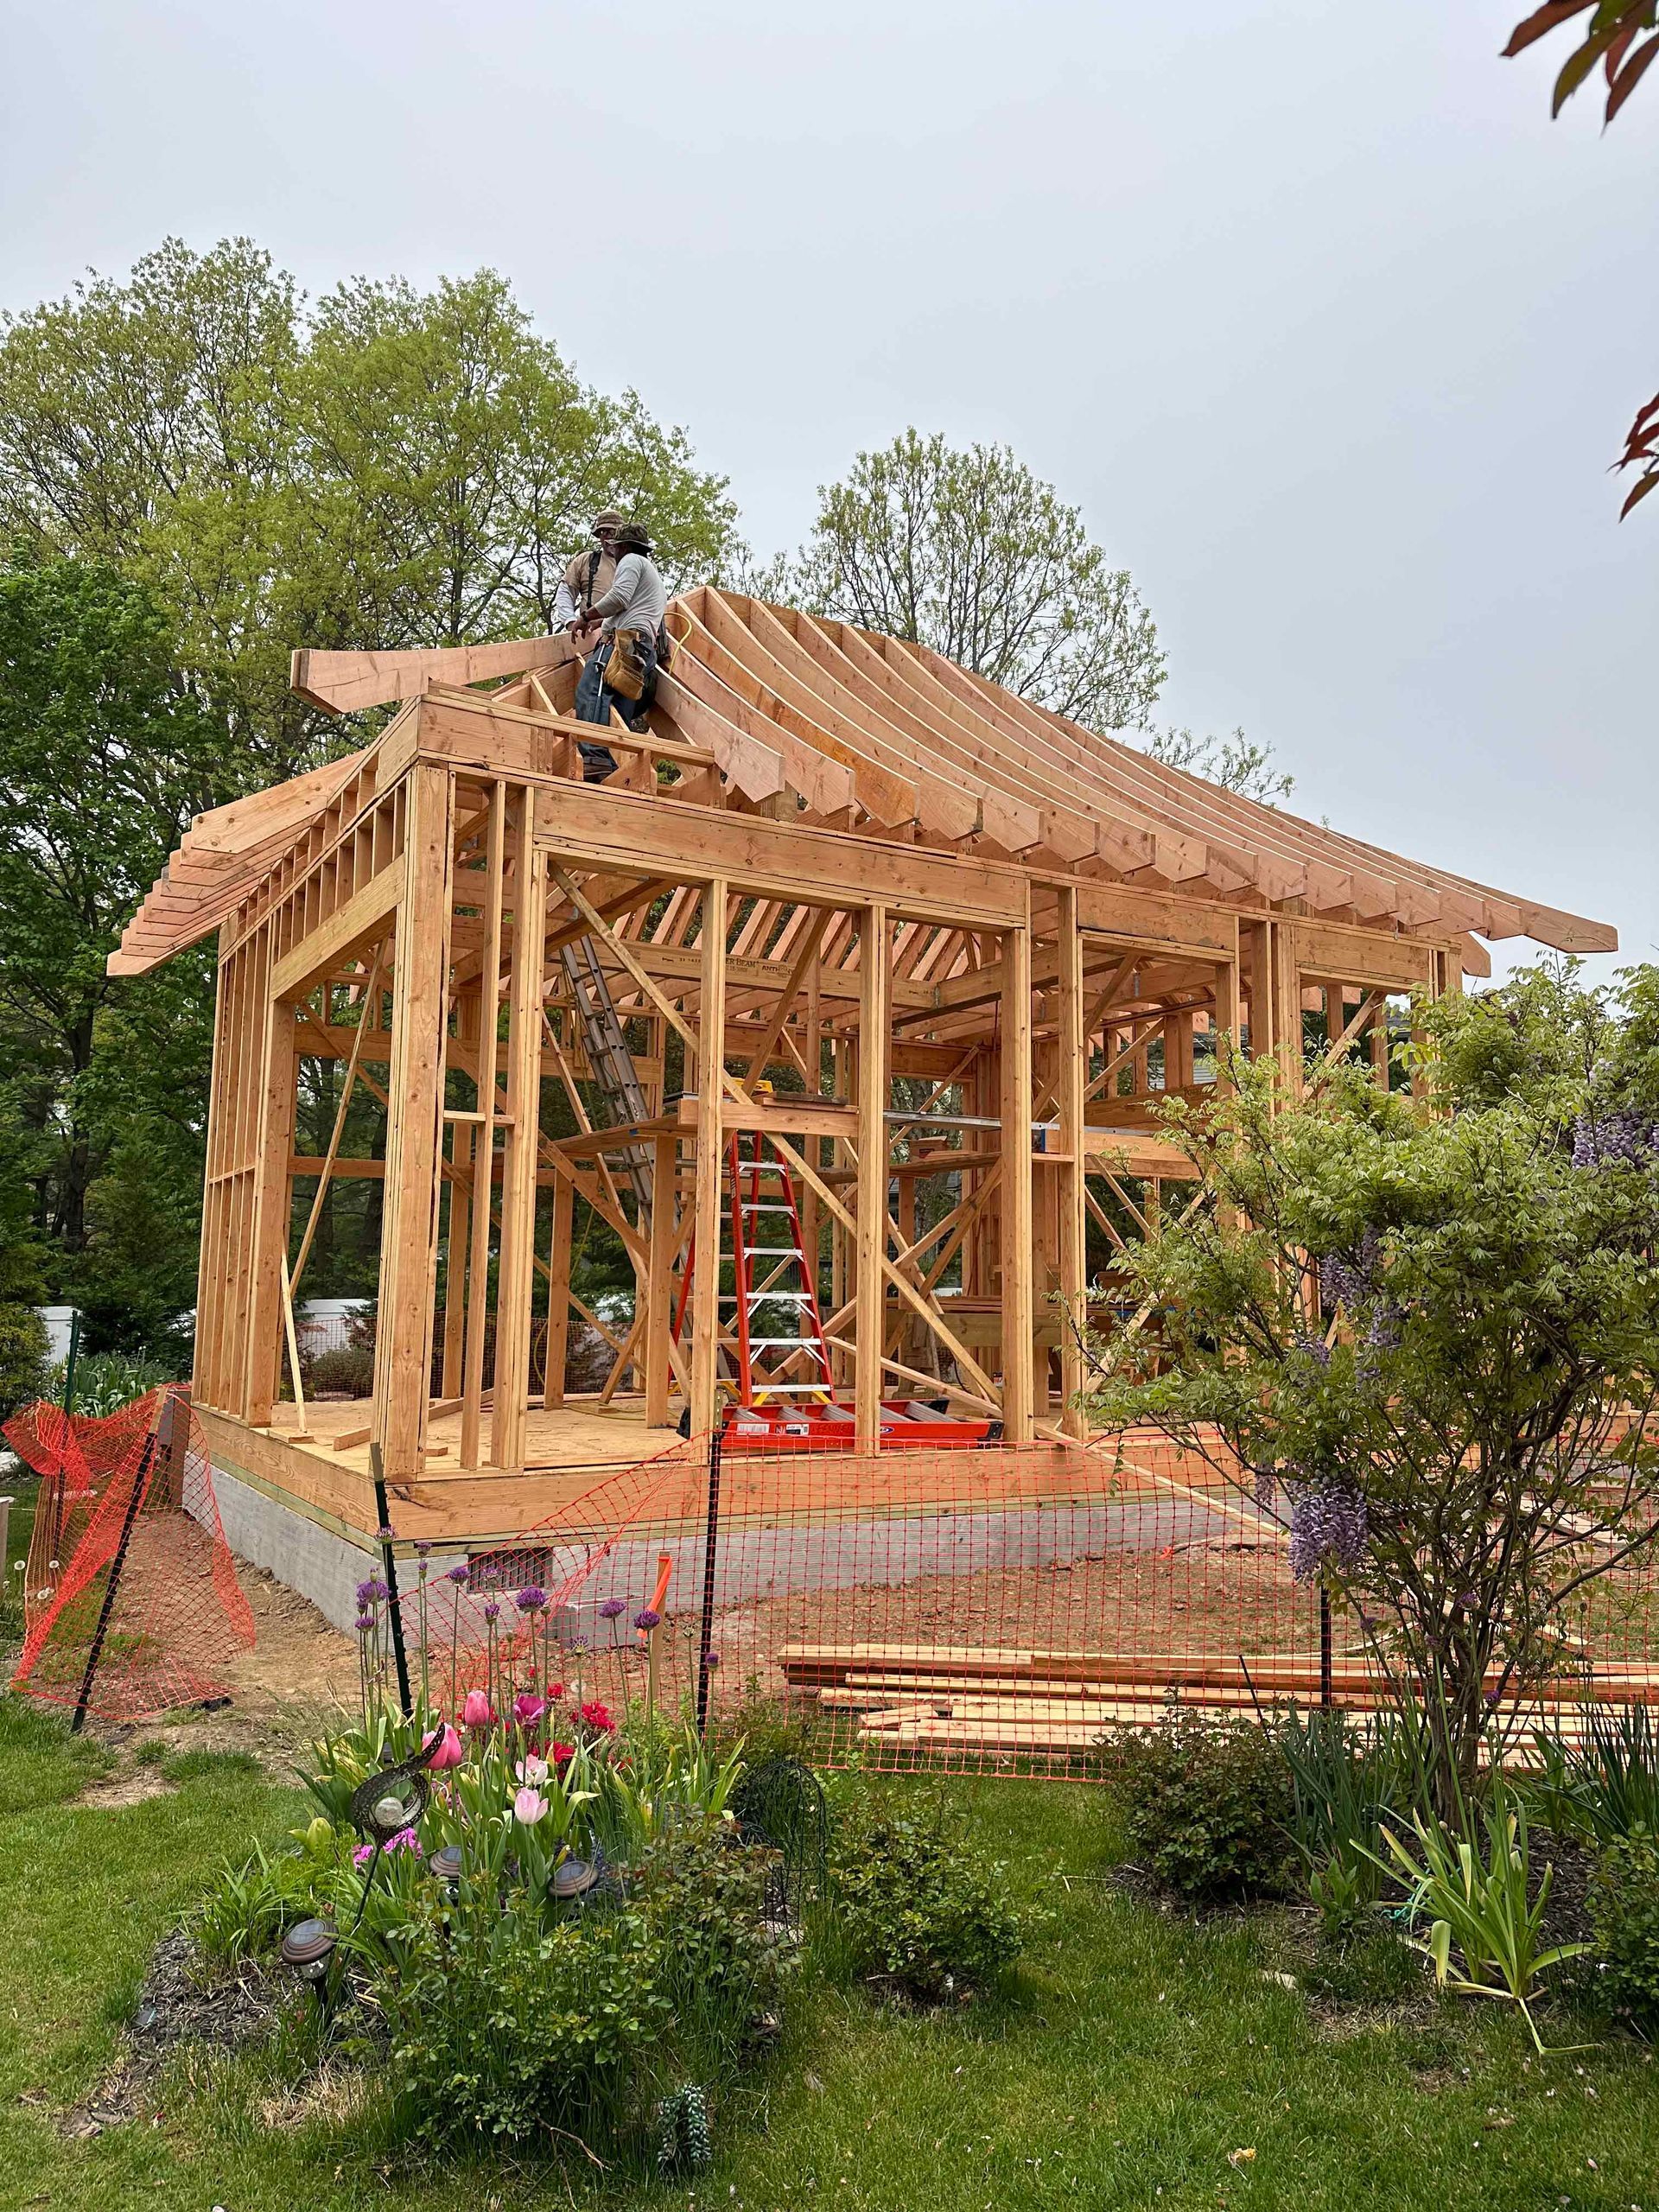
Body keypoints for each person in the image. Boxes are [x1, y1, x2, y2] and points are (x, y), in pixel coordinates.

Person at [572, 520, 668, 781]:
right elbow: (630, 609)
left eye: (615, 545)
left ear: (623, 546)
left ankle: (595, 758)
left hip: (625, 642)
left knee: (591, 691)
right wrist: (600, 622)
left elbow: (619, 598)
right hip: (642, 648)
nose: (612, 550)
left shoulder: (630, 561)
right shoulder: (651, 572)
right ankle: (613, 764)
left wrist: (585, 616)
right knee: (617, 704)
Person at [552, 511, 623, 632]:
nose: (609, 536)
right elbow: (565, 592)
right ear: (599, 536)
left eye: (614, 531)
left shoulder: (634, 563)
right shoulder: (587, 560)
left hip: (626, 632)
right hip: (590, 636)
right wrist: (570, 622)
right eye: (604, 532)